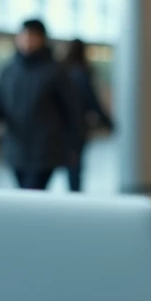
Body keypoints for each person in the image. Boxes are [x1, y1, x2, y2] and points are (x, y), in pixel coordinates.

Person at [0, 20, 81, 190]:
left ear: (42, 39)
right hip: (16, 149)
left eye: (32, 35)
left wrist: (74, 146)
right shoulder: (8, 70)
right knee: (25, 194)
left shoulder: (56, 71)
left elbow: (71, 110)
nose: (27, 40)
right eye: (24, 35)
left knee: (33, 192)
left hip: (45, 150)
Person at [62, 39, 114, 193]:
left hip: (61, 126)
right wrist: (106, 120)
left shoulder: (61, 70)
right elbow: (92, 100)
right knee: (75, 167)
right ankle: (74, 198)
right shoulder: (82, 73)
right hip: (77, 126)